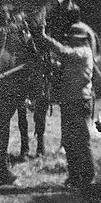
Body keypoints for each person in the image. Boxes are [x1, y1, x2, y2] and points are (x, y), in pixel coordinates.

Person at [36, 21, 97, 192]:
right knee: (70, 141)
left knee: (80, 140)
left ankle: (87, 176)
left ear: (80, 40)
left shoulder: (83, 52)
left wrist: (44, 38)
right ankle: (75, 175)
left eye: (72, 39)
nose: (69, 41)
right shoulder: (77, 53)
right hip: (70, 101)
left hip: (79, 101)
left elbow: (64, 52)